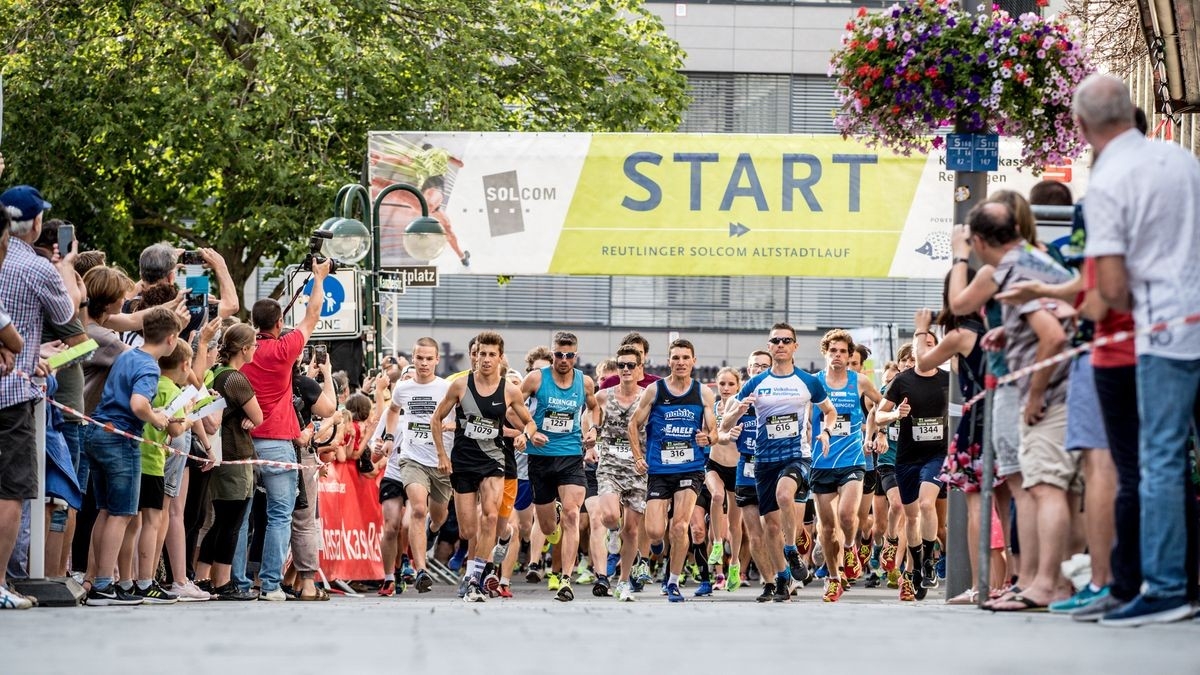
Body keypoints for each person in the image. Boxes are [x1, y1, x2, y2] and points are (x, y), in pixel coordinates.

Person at [1077, 73, 1200, 627]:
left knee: (1161, 461)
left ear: (1083, 127)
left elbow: (1111, 288)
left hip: (1162, 333)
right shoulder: (1182, 160)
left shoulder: (1107, 180)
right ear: (1132, 111)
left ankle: (1169, 588)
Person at [950, 200, 1076, 613]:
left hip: (1052, 392)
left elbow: (1053, 336)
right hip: (1072, 387)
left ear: (981, 241)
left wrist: (1036, 392)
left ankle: (1045, 584)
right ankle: (1045, 582)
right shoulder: (1035, 258)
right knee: (1047, 488)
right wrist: (1010, 330)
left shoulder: (1012, 269)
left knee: (1041, 488)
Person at [232, 257, 331, 598]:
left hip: (242, 442)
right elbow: (313, 315)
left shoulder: (239, 352)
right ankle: (271, 585)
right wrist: (319, 278)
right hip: (277, 442)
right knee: (278, 516)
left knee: (241, 517)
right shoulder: (284, 350)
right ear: (278, 323)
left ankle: (239, 582)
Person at [0, 186, 75, 609]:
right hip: (13, 392)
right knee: (12, 491)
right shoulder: (38, 269)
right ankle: (3, 582)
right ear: (35, 224)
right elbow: (69, 318)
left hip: (19, 373)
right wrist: (64, 266)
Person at [83, 307, 184, 605]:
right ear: (172, 338)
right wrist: (156, 418)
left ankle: (106, 581)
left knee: (105, 510)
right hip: (121, 438)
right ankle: (103, 584)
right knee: (123, 513)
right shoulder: (150, 367)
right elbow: (139, 403)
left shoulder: (127, 355)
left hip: (97, 431)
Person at [431, 331, 536, 602]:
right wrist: (443, 455)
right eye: (481, 354)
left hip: (494, 460)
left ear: (500, 358)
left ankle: (474, 577)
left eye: (491, 355)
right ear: (474, 356)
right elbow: (436, 419)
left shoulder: (510, 390)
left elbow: (529, 422)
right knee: (468, 530)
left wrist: (525, 435)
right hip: (464, 460)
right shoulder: (459, 386)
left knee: (490, 516)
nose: (485, 360)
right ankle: (498, 543)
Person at [629, 338, 718, 603]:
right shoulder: (655, 391)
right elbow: (634, 424)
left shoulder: (703, 393)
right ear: (669, 361)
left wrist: (708, 438)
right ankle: (656, 546)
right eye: (675, 358)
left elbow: (713, 429)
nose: (680, 362)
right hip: (659, 467)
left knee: (680, 527)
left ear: (694, 361)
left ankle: (673, 582)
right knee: (656, 530)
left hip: (690, 468)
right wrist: (637, 457)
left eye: (685, 358)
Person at [519, 331, 599, 602]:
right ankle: (551, 514)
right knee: (547, 527)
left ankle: (566, 579)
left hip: (570, 456)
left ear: (575, 356)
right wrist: (529, 430)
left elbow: (593, 408)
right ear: (552, 354)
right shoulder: (537, 379)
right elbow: (512, 406)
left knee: (573, 515)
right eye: (558, 355)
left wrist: (593, 430)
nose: (563, 360)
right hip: (540, 457)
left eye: (569, 355)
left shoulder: (584, 382)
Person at [373, 337, 454, 595]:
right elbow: (393, 411)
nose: (424, 363)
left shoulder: (447, 388)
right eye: (419, 358)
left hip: (441, 462)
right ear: (414, 357)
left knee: (438, 517)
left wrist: (454, 426)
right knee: (417, 510)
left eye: (429, 358)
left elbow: (465, 414)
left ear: (437, 360)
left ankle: (431, 531)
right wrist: (387, 438)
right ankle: (420, 570)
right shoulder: (403, 389)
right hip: (410, 459)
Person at [810, 328, 882, 602]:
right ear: (825, 354)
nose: (838, 356)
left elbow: (881, 405)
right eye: (833, 351)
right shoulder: (814, 382)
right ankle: (832, 577)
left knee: (848, 516)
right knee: (826, 528)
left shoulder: (860, 381)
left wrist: (878, 432)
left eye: (843, 351)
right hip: (821, 460)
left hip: (852, 458)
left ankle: (850, 547)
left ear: (849, 355)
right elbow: (801, 413)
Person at [875, 330, 949, 600]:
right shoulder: (901, 381)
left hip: (937, 455)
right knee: (911, 517)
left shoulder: (948, 380)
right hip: (906, 458)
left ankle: (928, 561)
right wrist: (896, 413)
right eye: (923, 344)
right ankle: (917, 566)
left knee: (927, 505)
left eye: (932, 344)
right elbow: (879, 414)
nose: (927, 348)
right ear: (914, 351)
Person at [194, 324, 262, 601]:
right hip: (234, 455)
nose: (256, 349)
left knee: (221, 520)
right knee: (231, 521)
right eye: (254, 345)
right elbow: (257, 416)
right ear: (244, 349)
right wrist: (252, 418)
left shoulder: (215, 374)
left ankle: (202, 577)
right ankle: (222, 582)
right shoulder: (235, 378)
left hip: (222, 453)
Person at [592, 344, 648, 601]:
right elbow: (589, 416)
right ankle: (612, 532)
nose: (625, 369)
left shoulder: (648, 396)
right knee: (610, 515)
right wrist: (590, 435)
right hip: (610, 464)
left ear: (640, 369)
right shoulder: (604, 396)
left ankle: (624, 581)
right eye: (621, 365)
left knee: (633, 531)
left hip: (638, 467)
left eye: (630, 365)